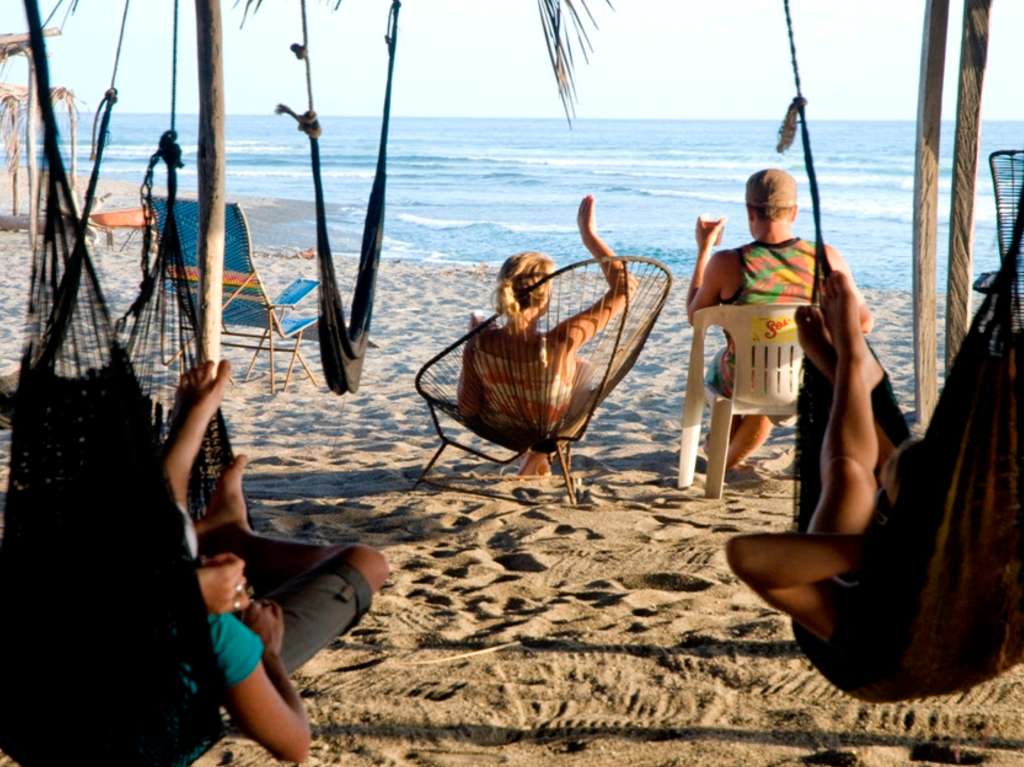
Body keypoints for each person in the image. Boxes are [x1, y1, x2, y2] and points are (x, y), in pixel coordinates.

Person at [163, 359, 390, 763]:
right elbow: (294, 743)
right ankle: (234, 535)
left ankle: (229, 532)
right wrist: (265, 650)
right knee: (367, 564)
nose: (223, 567)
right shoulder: (216, 635)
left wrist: (195, 414)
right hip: (195, 685)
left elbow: (167, 493)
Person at [725, 271, 917, 655]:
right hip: (926, 531)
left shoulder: (863, 628)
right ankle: (846, 365)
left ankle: (846, 362)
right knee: (898, 464)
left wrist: (896, 551)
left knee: (850, 473)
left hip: (868, 619)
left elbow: (745, 555)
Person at [686, 168, 872, 471]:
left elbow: (696, 317)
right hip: (804, 379)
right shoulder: (827, 258)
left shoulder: (728, 263)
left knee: (736, 363)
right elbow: (863, 323)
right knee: (772, 368)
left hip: (743, 380)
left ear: (750, 211)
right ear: (794, 212)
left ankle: (721, 457)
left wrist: (704, 249)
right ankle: (726, 455)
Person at [457, 194, 633, 476]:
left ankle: (536, 458)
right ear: (546, 298)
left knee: (580, 367)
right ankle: (541, 454)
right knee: (582, 371)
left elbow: (468, 408)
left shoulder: (480, 340)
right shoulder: (560, 342)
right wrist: (589, 236)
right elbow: (625, 288)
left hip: (500, 427)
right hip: (551, 428)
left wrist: (471, 350)